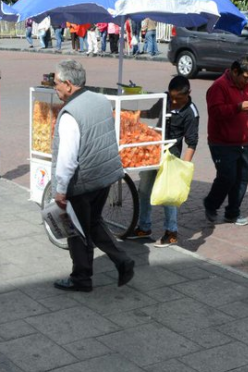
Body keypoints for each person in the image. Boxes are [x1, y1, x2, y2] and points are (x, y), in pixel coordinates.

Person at [49, 60, 135, 293]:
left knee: (76, 231)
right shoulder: (100, 100)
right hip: (104, 175)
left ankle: (81, 278)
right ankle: (122, 260)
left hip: (83, 181)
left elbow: (68, 157)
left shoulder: (69, 114)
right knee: (94, 223)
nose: (54, 87)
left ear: (68, 84)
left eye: (56, 83)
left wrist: (60, 189)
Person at [128, 76, 199, 247]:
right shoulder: (165, 98)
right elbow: (152, 113)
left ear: (188, 93)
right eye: (172, 97)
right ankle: (144, 227)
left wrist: (183, 167)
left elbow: (192, 142)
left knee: (169, 193)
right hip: (153, 148)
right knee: (144, 189)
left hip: (172, 153)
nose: (174, 101)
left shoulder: (191, 112)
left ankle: (171, 232)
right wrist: (133, 114)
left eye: (178, 98)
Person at [203, 56, 248, 226]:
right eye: (245, 77)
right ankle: (211, 204)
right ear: (235, 71)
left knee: (242, 177)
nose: (247, 81)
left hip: (244, 140)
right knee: (227, 177)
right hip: (221, 142)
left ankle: (233, 212)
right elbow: (215, 112)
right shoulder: (218, 86)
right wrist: (237, 107)